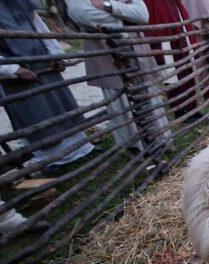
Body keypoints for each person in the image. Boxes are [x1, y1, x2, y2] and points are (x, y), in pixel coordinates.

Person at [0, 0, 94, 170]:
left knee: (62, 105)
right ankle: (53, 159)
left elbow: (36, 23)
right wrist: (10, 68)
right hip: (13, 71)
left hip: (41, 59)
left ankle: (81, 148)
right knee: (36, 112)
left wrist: (54, 53)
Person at [60, 0, 171, 152]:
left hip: (136, 47)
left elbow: (142, 15)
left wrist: (109, 6)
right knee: (119, 98)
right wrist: (125, 18)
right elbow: (83, 16)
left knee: (148, 93)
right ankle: (135, 147)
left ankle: (161, 138)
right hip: (104, 49)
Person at [143, 0, 202, 122]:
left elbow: (181, 13)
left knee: (188, 73)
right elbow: (152, 17)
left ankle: (192, 108)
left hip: (181, 36)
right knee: (173, 76)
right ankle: (180, 111)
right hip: (166, 39)